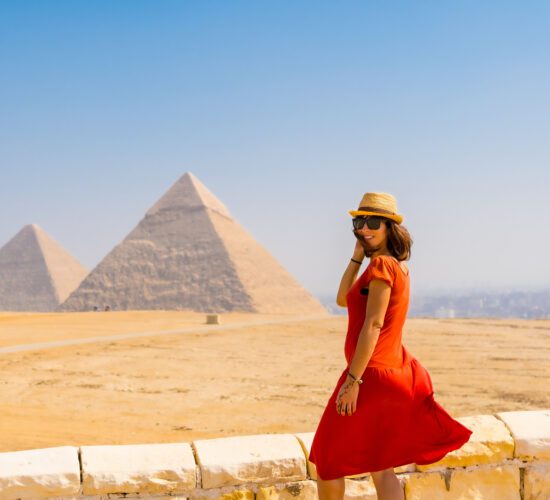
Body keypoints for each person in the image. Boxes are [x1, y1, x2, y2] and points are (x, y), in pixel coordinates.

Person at [308, 192, 473, 500]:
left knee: (327, 458)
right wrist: (357, 255)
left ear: (390, 227)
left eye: (372, 222)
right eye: (358, 222)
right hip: (390, 374)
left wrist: (352, 381)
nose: (363, 228)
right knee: (380, 466)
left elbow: (374, 324)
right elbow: (343, 298)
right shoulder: (393, 266)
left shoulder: (382, 265)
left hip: (372, 376)